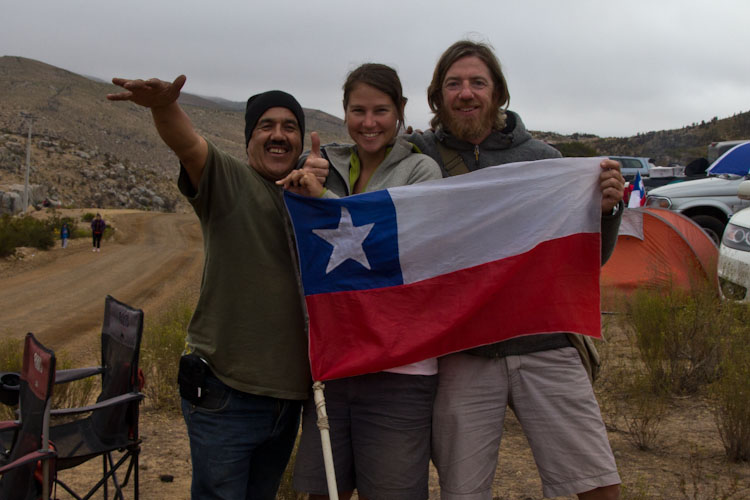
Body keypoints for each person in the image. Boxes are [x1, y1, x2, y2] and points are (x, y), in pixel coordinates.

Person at [404, 40, 625, 500]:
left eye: (477, 83)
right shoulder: (416, 160)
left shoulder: (545, 162)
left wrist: (606, 211)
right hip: (465, 351)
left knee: (597, 484)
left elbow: (586, 261)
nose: (466, 93)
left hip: (545, 343)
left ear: (498, 93)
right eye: (454, 84)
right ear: (437, 96)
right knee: (462, 492)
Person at [107, 76, 321, 500]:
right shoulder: (229, 181)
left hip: (289, 398)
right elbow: (188, 145)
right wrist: (163, 108)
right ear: (248, 140)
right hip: (226, 394)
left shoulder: (311, 199)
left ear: (301, 141)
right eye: (266, 126)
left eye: (289, 126)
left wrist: (320, 195)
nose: (278, 135)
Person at [278, 63, 442, 500]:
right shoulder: (321, 164)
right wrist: (299, 187)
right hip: (332, 358)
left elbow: (400, 248)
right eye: (358, 110)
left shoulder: (422, 170)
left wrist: (324, 203)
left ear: (401, 111)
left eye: (381, 111)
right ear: (344, 112)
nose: (369, 123)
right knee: (321, 490)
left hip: (399, 365)